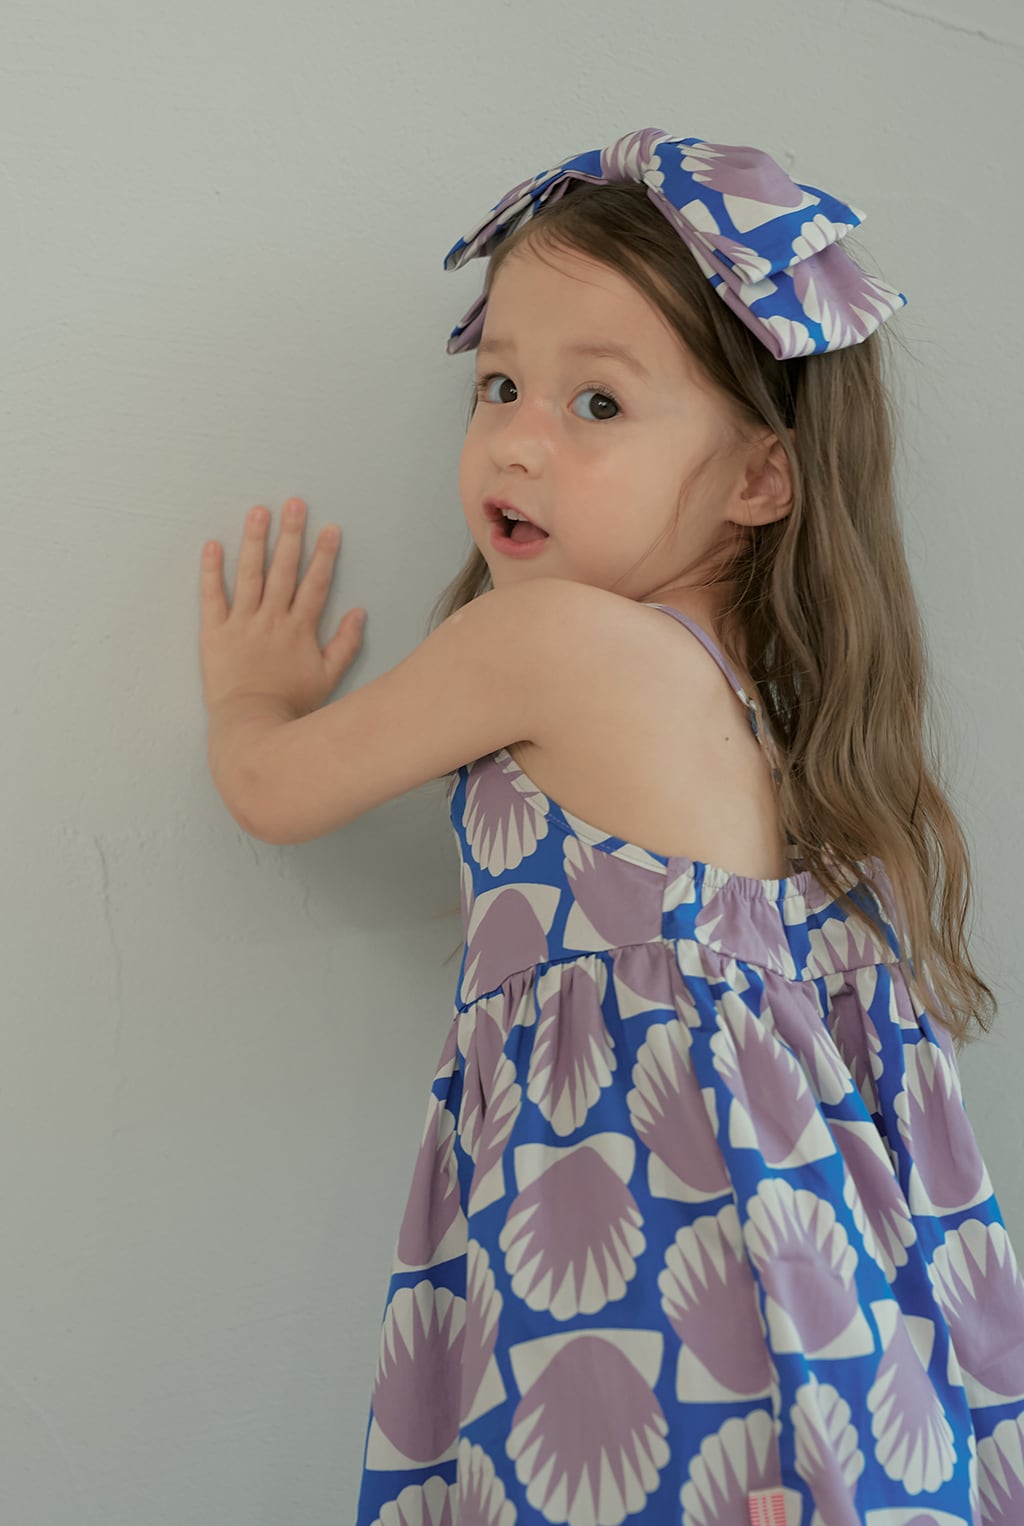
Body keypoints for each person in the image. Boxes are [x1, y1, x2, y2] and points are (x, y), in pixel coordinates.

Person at [198, 130, 1024, 1524]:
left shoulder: (550, 642)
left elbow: (274, 788)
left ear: (761, 478)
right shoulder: (799, 758)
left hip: (640, 1334)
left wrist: (248, 698)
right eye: (499, 383)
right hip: (827, 1363)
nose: (518, 437)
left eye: (598, 402)